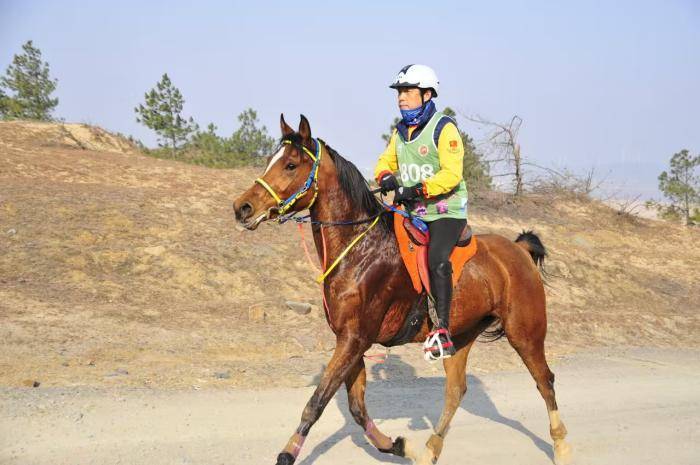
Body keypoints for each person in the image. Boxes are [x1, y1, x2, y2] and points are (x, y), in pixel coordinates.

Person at [374, 64, 468, 360]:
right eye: (400, 93)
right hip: (412, 212)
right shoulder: (400, 132)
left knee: (437, 261)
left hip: (445, 211)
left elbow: (452, 174)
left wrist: (416, 189)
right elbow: (383, 161)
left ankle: (443, 331)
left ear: (427, 94)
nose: (401, 98)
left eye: (408, 92)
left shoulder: (444, 128)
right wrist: (386, 176)